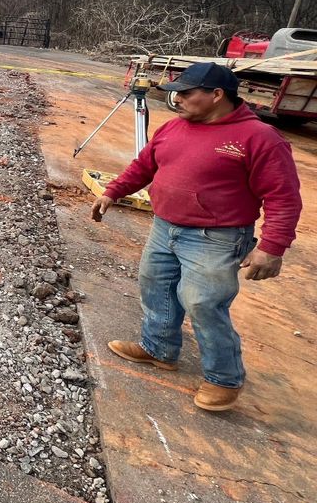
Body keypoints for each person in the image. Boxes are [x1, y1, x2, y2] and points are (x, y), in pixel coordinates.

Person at [92, 62, 302, 411]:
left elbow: (283, 196)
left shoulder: (259, 138)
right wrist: (113, 191)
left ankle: (224, 379)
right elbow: (144, 165)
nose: (178, 99)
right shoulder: (174, 128)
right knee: (155, 286)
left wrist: (272, 247)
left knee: (203, 302)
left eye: (187, 93)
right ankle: (158, 349)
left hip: (216, 237)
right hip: (165, 227)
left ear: (217, 95)